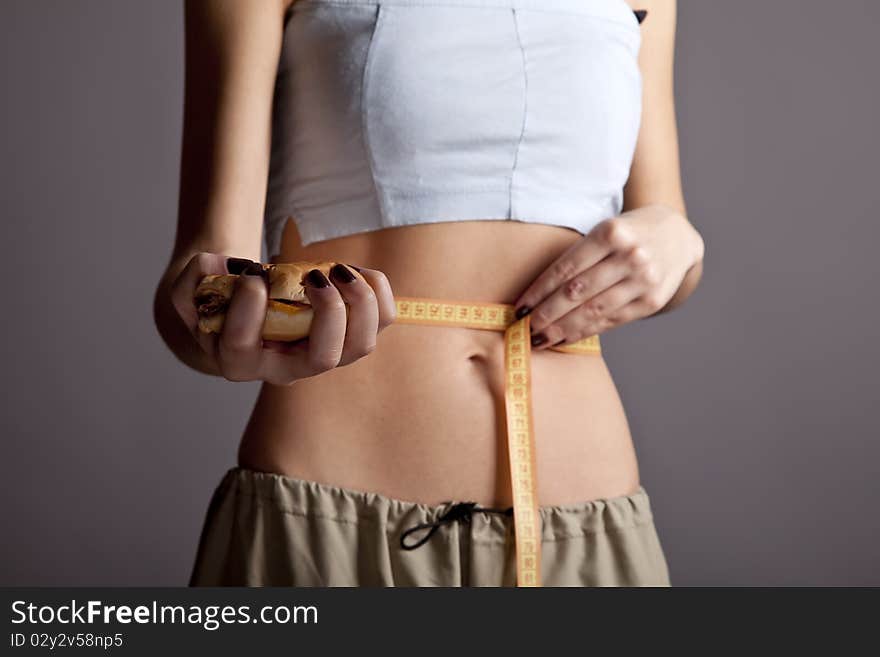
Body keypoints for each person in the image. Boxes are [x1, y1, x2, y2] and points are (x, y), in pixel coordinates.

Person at [153, 0, 704, 587]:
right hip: (328, 521)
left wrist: (679, 244)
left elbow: (666, 241)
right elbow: (197, 281)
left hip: (581, 526)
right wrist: (218, 322)